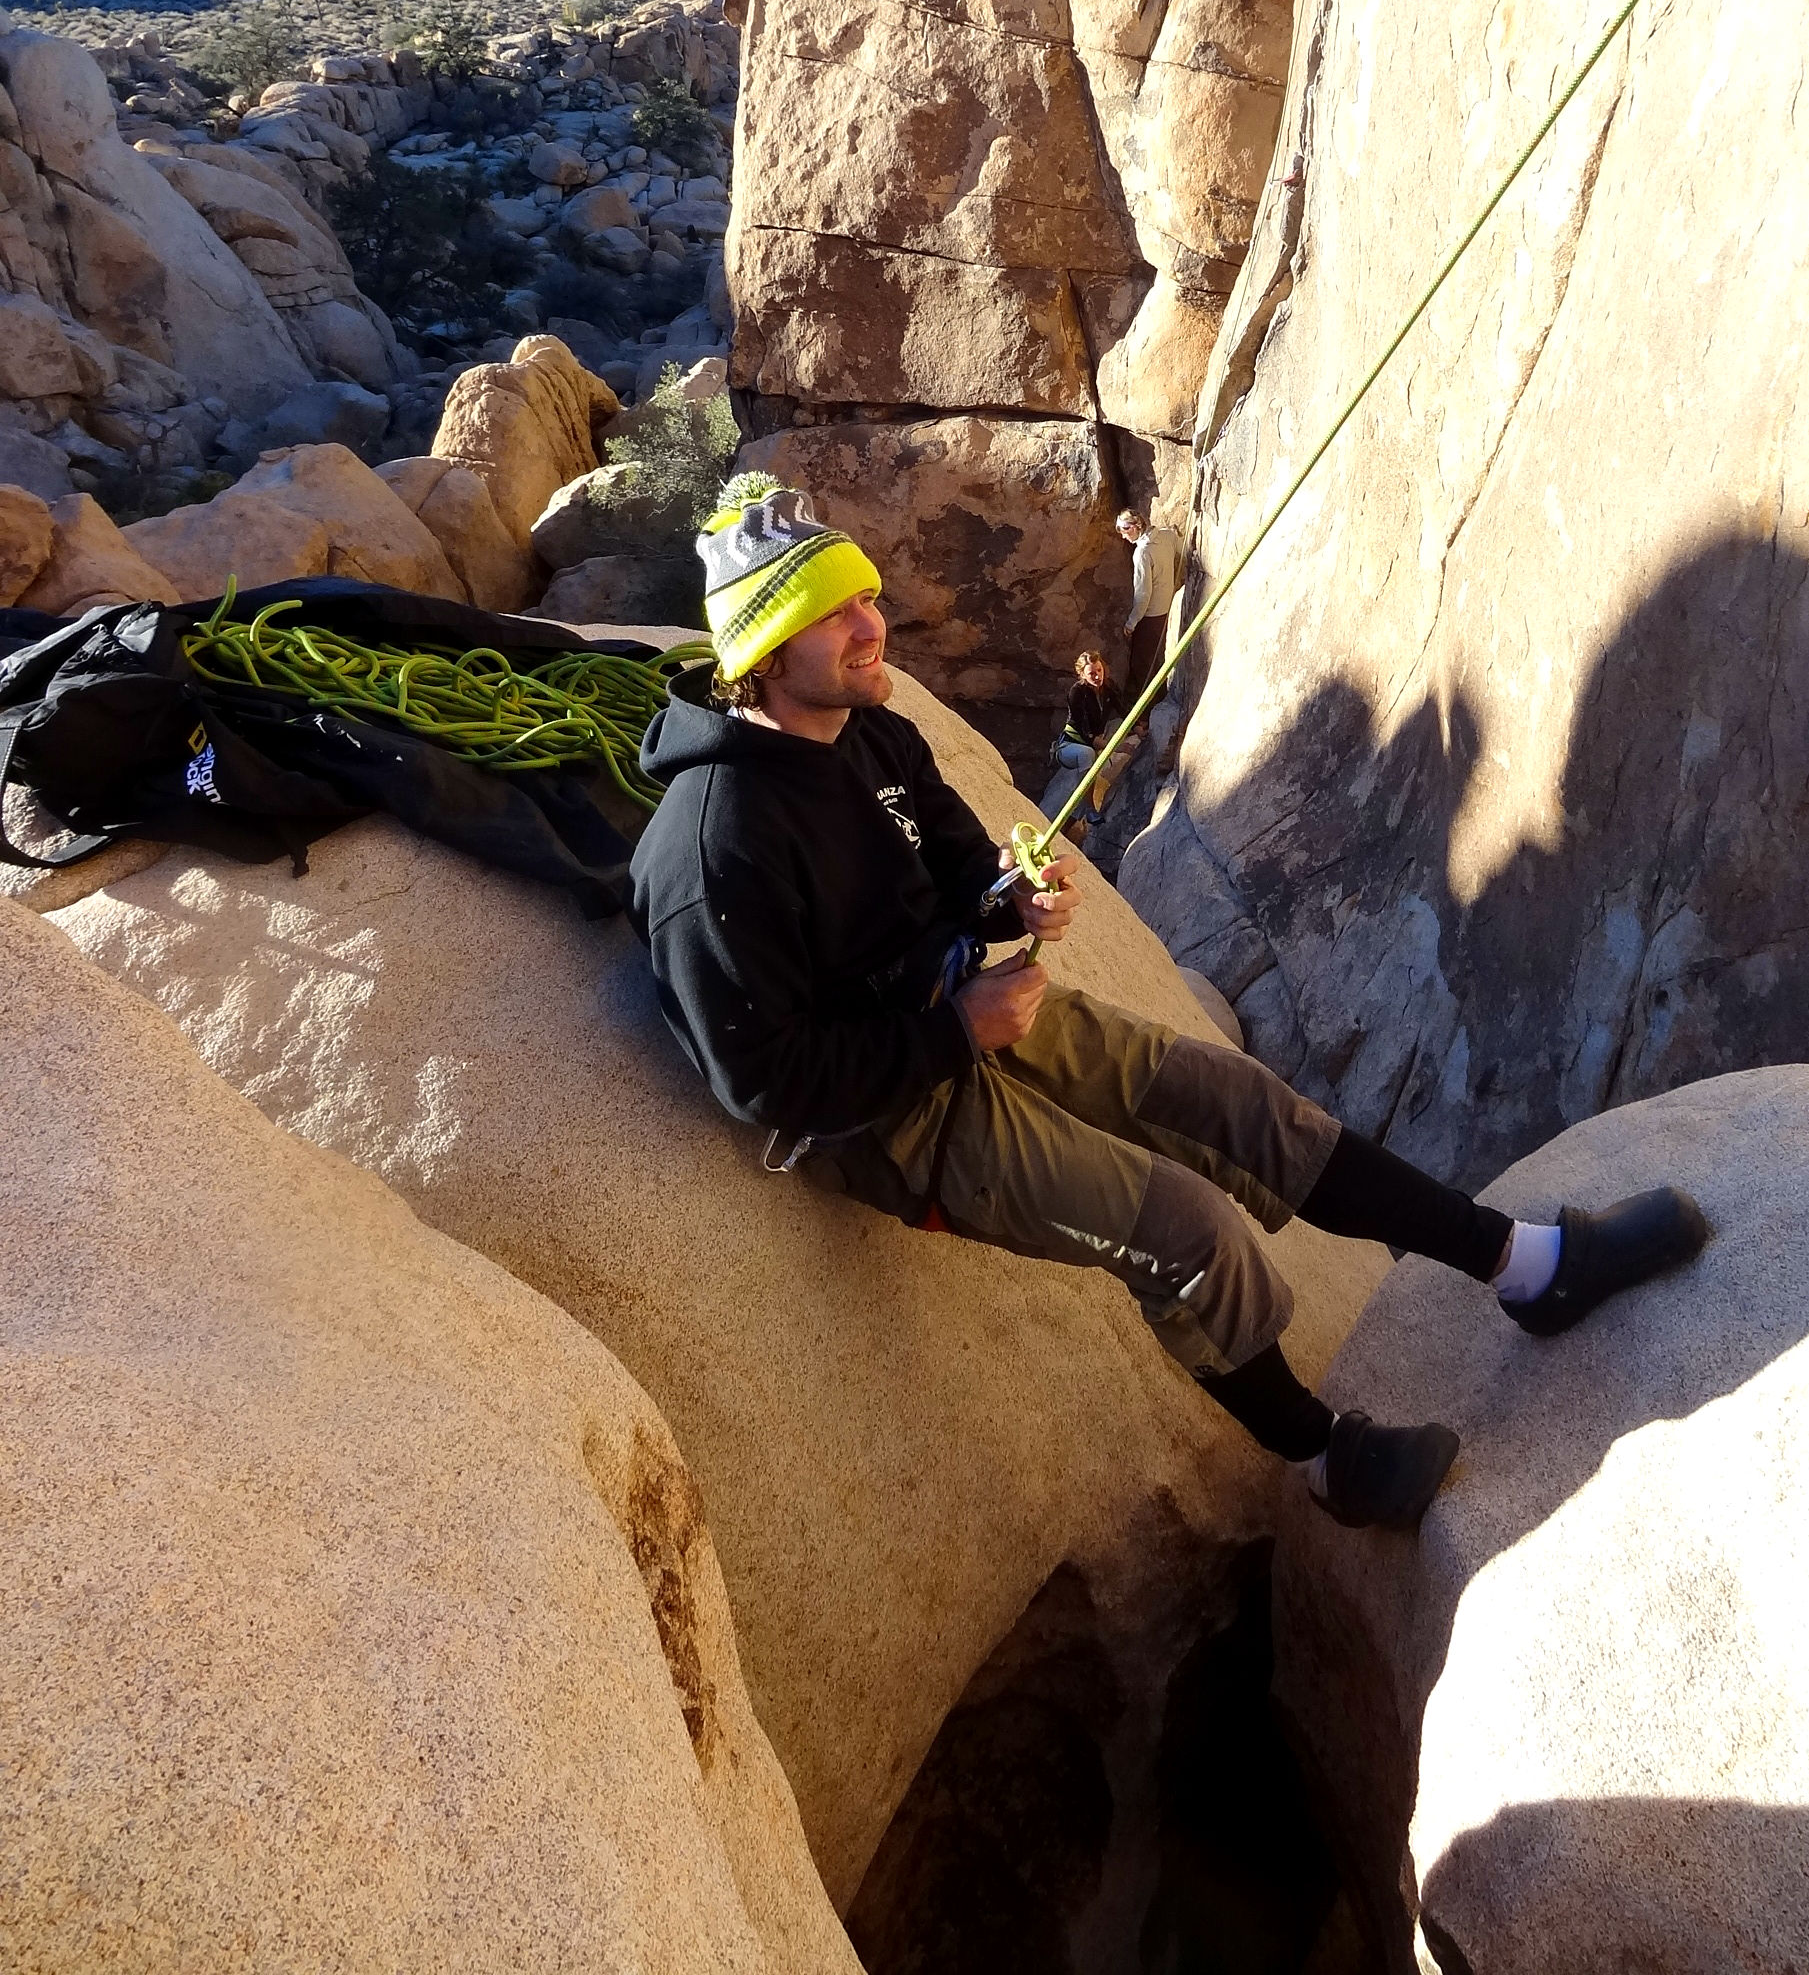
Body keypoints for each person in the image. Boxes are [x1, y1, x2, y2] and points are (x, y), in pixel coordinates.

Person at [632, 478, 1710, 1532]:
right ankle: (1328, 1461)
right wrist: (955, 1031)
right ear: (765, 654)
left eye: (866, 597)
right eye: (833, 616)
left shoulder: (873, 732)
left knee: (1246, 1104)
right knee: (1188, 1231)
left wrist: (1010, 895)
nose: (873, 627)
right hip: (887, 1112)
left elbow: (959, 864)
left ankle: (1530, 1267)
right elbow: (764, 1082)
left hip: (958, 1005)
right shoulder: (717, 845)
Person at [1038, 647, 1131, 826]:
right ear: (1082, 675)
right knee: (1087, 754)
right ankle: (1090, 809)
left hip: (1094, 742)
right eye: (1091, 674)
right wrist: (1115, 747)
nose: (1097, 676)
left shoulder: (1108, 687)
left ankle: (1078, 814)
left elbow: (1123, 709)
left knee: (1095, 751)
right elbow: (1082, 730)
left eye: (1099, 670)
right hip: (1069, 746)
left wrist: (1140, 726)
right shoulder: (1077, 692)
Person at [1117, 509, 1184, 697]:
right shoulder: (1166, 535)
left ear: (1135, 527)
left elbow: (1143, 594)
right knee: (1159, 657)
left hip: (1151, 615)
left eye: (1124, 530)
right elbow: (1182, 549)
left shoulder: (1142, 553)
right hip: (1167, 608)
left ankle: (1149, 705)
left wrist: (1131, 623)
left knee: (1143, 664)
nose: (1123, 535)